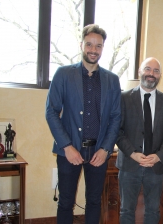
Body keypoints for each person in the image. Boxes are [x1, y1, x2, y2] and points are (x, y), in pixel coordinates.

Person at [45, 24, 121, 224]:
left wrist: (106, 149)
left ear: (103, 48)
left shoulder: (112, 80)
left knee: (95, 202)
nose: (93, 50)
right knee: (65, 202)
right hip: (69, 151)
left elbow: (116, 117)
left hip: (98, 152)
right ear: (81, 45)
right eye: (89, 44)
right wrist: (67, 146)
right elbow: (51, 112)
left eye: (98, 46)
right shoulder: (63, 74)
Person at [116, 57, 163, 223]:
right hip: (130, 164)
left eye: (156, 71)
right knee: (126, 210)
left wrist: (158, 156)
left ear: (160, 75)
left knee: (153, 211)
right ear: (140, 72)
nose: (151, 74)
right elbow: (117, 130)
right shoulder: (123, 98)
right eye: (148, 69)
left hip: (155, 166)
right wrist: (132, 153)